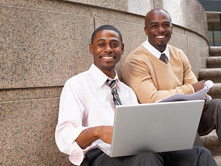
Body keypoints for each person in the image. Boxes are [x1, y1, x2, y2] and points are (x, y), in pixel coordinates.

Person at [55, 24, 217, 166]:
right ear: (91, 48)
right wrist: (98, 132)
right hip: (99, 156)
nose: (108, 49)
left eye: (114, 44)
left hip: (137, 152)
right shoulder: (77, 85)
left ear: (122, 49)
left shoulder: (127, 92)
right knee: (146, 158)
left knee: (199, 155)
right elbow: (64, 135)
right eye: (101, 44)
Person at [122, 8, 221, 145]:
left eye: (166, 25)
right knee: (186, 133)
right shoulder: (135, 61)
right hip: (159, 123)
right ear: (145, 30)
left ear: (172, 28)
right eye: (155, 26)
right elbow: (151, 100)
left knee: (218, 106)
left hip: (187, 114)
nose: (161, 30)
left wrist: (199, 96)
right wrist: (191, 90)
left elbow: (196, 88)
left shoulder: (178, 53)